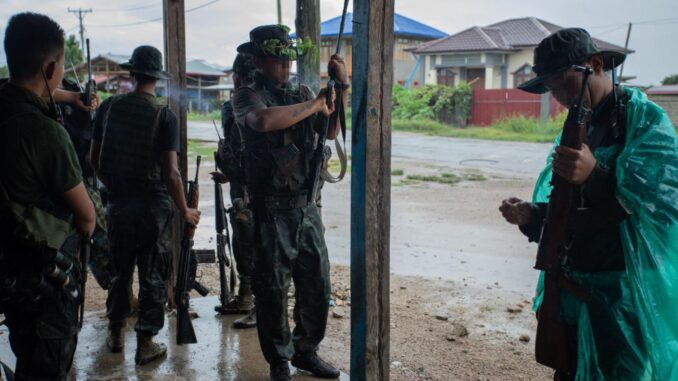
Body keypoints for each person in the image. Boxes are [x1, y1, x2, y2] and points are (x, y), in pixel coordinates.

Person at [500, 28, 678, 380]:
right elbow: (566, 206)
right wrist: (532, 215)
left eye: (565, 84)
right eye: (552, 89)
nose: (561, 97)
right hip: (570, 288)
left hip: (620, 295)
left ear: (595, 65)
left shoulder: (645, 122)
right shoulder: (577, 123)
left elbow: (655, 210)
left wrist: (595, 173)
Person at [233, 24, 347, 381]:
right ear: (258, 60)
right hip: (271, 211)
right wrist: (314, 103)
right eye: (277, 60)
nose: (285, 67)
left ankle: (306, 352)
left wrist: (339, 88)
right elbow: (262, 121)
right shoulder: (247, 96)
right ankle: (279, 361)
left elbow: (330, 131)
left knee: (317, 286)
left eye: (288, 61)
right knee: (273, 291)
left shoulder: (302, 91)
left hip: (306, 208)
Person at [90, 45, 201, 366]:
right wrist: (185, 210)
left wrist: (113, 188)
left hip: (118, 205)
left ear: (133, 73)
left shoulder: (109, 107)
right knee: (152, 274)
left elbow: (93, 161)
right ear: (157, 76)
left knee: (119, 272)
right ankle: (146, 343)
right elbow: (171, 172)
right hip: (154, 209)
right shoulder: (164, 114)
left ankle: (114, 333)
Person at [0, 12, 96, 380]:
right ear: (53, 65)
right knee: (45, 365)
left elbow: (32, 86)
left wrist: (72, 97)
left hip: (8, 265)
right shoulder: (44, 132)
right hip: (41, 274)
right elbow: (86, 216)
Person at [212, 53, 258, 329]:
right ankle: (245, 298)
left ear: (238, 76)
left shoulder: (243, 105)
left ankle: (254, 304)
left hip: (250, 190)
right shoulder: (246, 104)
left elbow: (248, 151)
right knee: (245, 245)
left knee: (251, 247)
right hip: (243, 185)